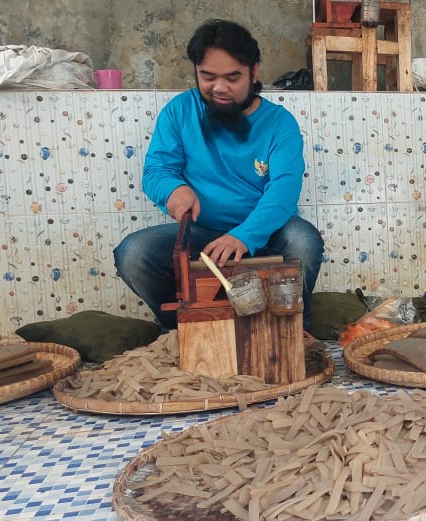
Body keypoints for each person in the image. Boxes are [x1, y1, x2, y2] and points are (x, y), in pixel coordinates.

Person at [114, 19, 323, 331]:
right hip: (204, 234)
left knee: (303, 239)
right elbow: (157, 171)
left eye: (233, 77)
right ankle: (187, 329)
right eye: (207, 77)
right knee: (133, 254)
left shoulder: (280, 124)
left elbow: (284, 190)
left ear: (254, 72)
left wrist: (244, 235)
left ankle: (293, 332)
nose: (219, 88)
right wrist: (173, 190)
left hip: (267, 234)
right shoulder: (179, 111)